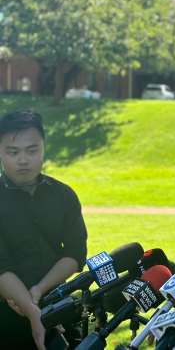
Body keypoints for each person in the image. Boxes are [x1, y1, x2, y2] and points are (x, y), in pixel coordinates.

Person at [0, 110, 88, 350]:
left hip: (59, 304)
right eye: (13, 152)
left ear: (44, 147)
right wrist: (30, 309)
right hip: (6, 316)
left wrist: (38, 291)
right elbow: (1, 266)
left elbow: (75, 252)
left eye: (32, 150)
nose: (23, 160)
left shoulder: (64, 194)